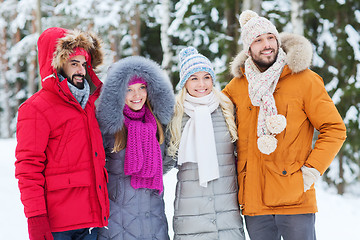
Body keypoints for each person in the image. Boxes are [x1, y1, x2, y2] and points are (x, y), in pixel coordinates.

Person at [222, 10, 347, 240]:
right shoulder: (237, 86)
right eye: (258, 40)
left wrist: (310, 172)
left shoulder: (305, 79)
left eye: (270, 37)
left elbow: (335, 129)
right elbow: (214, 118)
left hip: (295, 201)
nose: (266, 44)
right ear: (248, 49)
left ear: (278, 40)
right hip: (254, 203)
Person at [15, 27, 109, 240]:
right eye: (74, 63)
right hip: (58, 226)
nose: (81, 71)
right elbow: (28, 168)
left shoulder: (91, 104)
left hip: (92, 221)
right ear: (56, 64)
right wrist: (35, 217)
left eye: (84, 64)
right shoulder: (36, 108)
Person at [165, 46, 245, 239]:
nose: (202, 84)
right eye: (194, 78)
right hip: (191, 212)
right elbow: (164, 161)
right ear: (184, 83)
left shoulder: (226, 109)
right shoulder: (174, 115)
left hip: (227, 211)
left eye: (206, 77)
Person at [96, 56, 175, 240]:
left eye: (142, 88)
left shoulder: (158, 124)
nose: (136, 95)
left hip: (153, 221)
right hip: (117, 223)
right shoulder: (108, 127)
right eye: (128, 89)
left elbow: (169, 160)